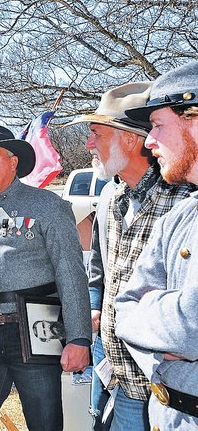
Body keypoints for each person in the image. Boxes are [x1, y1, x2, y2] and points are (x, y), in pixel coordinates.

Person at [66, 82, 193, 430]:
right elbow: (99, 276)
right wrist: (94, 310)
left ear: (130, 139)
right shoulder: (109, 197)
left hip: (154, 386)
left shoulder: (183, 202)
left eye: (96, 133)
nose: (88, 144)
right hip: (106, 366)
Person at [0, 123, 91, 430]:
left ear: (14, 162)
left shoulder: (48, 207)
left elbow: (71, 275)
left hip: (36, 332)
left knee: (44, 423)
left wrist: (79, 337)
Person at [114, 62, 198, 430]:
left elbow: (191, 326)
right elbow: (123, 310)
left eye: (158, 126)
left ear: (194, 119)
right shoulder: (177, 219)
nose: (149, 142)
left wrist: (155, 315)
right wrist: (165, 355)